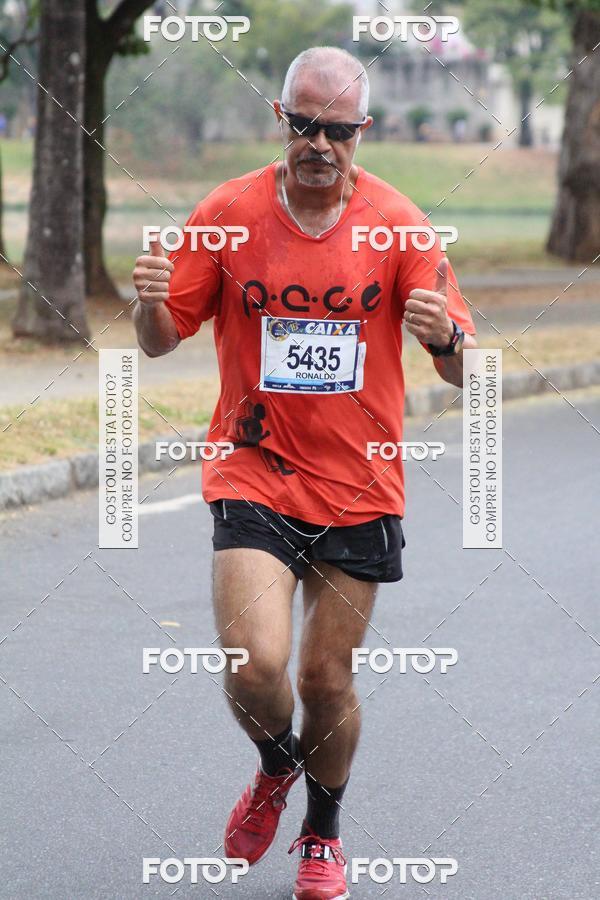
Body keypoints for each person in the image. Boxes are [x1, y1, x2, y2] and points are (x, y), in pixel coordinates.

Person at [133, 45, 477, 900]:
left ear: (362, 131)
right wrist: (147, 300)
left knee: (326, 679)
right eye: (306, 125)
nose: (321, 144)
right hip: (254, 469)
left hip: (360, 485)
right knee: (255, 665)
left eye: (339, 130)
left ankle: (322, 835)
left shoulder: (400, 227)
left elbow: (464, 370)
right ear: (282, 120)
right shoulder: (230, 211)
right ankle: (275, 766)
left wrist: (447, 340)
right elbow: (159, 337)